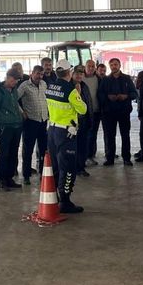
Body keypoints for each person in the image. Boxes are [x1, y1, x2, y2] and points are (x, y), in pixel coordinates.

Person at [45, 59, 87, 213]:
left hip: (52, 131)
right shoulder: (71, 89)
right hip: (66, 134)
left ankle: (54, 195)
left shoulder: (50, 86)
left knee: (56, 166)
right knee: (68, 167)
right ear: (69, 72)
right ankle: (65, 200)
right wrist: (79, 94)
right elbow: (82, 110)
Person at [98, 58, 138, 166]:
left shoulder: (127, 79)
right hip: (109, 113)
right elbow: (100, 94)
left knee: (125, 135)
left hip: (123, 112)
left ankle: (126, 158)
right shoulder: (105, 80)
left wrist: (126, 96)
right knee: (110, 136)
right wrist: (107, 97)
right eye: (111, 65)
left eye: (115, 64)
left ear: (119, 65)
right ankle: (110, 158)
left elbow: (134, 94)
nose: (113, 66)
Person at [0, 70, 25, 190]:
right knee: (4, 154)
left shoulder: (14, 90)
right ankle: (0, 179)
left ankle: (9, 178)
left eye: (16, 81)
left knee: (13, 153)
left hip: (16, 125)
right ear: (7, 78)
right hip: (5, 127)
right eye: (12, 80)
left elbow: (16, 104)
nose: (14, 82)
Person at [17, 65, 49, 185]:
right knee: (28, 150)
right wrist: (22, 112)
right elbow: (13, 98)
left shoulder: (44, 84)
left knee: (43, 150)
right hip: (30, 122)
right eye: (37, 74)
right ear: (32, 73)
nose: (39, 76)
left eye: (41, 74)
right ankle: (26, 175)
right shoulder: (24, 85)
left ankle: (42, 172)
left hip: (43, 121)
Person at [73, 65, 93, 177]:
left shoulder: (84, 86)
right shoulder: (69, 86)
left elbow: (88, 103)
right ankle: (74, 168)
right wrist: (77, 93)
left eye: (81, 74)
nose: (79, 76)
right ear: (72, 74)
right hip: (74, 123)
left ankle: (81, 167)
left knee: (83, 146)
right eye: (77, 73)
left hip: (84, 121)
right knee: (73, 147)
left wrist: (90, 119)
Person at [82, 59, 102, 166]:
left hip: (96, 111)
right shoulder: (80, 78)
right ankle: (83, 156)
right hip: (83, 112)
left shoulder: (98, 79)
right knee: (83, 135)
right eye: (89, 66)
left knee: (93, 134)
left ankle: (90, 155)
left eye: (93, 66)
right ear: (85, 67)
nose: (91, 68)